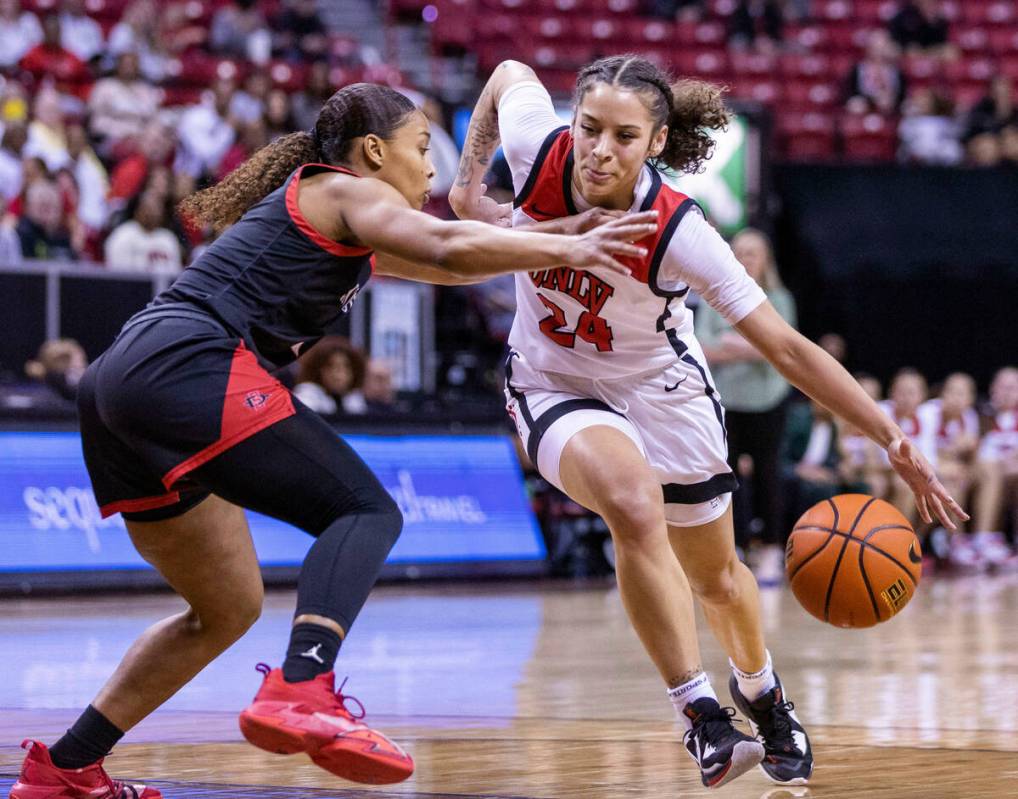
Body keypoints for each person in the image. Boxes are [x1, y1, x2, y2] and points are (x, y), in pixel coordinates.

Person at [8, 81, 655, 799]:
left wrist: (571, 239)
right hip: (183, 362)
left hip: (120, 384)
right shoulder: (346, 190)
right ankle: (303, 684)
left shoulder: (346, 221)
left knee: (224, 607)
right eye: (420, 149)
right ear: (374, 153)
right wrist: (569, 240)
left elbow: (448, 259)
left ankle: (65, 766)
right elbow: (444, 240)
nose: (432, 168)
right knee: (365, 511)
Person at [449, 54, 966, 790]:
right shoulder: (539, 149)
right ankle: (700, 715)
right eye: (589, 127)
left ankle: (761, 692)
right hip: (551, 378)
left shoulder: (679, 229)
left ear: (655, 142)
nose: (600, 148)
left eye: (624, 136)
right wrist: (471, 181)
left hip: (663, 390)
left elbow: (786, 347)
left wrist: (892, 437)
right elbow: (506, 72)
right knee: (631, 502)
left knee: (718, 577)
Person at [695, 227, 795, 586]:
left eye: (752, 252)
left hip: (768, 401)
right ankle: (732, 550)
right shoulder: (711, 297)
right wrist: (750, 346)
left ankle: (770, 550)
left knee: (769, 475)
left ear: (765, 258)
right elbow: (701, 347)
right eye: (738, 251)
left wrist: (732, 346)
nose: (745, 258)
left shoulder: (778, 299)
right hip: (725, 402)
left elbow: (780, 347)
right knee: (726, 478)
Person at [293, 335, 368, 416]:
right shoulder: (306, 398)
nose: (338, 375)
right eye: (330, 367)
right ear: (316, 370)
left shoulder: (354, 400)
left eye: (346, 367)